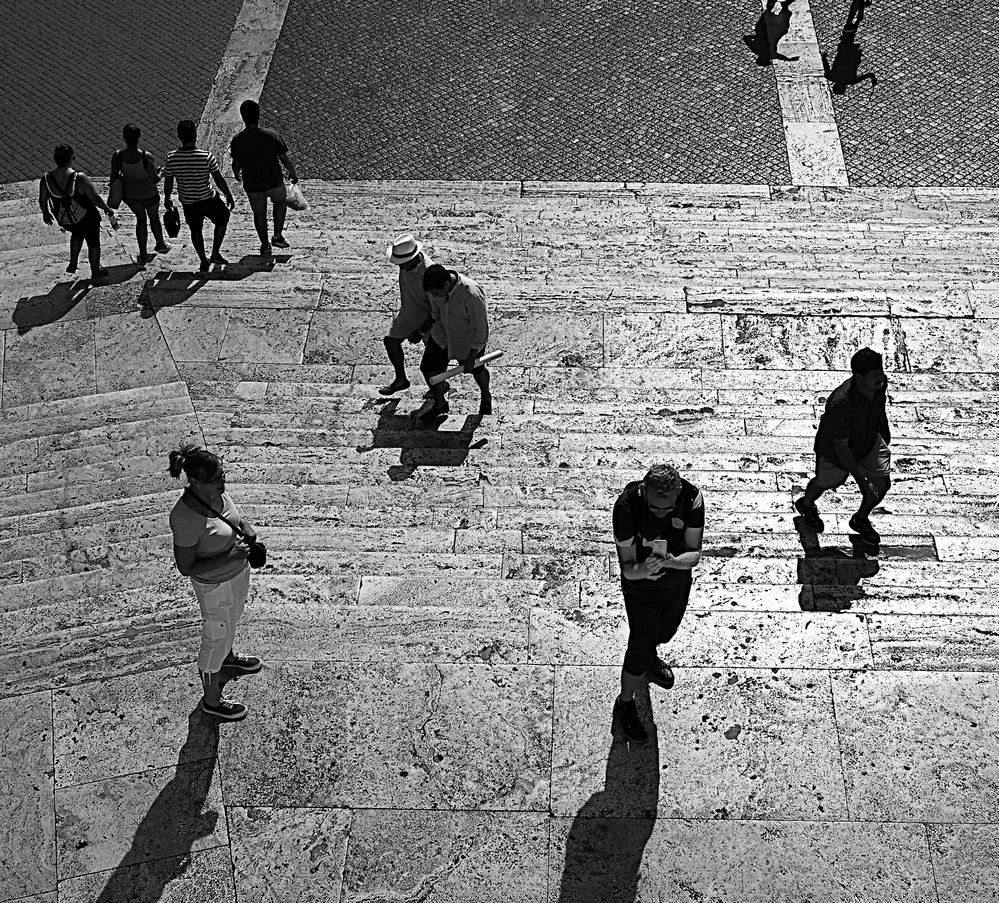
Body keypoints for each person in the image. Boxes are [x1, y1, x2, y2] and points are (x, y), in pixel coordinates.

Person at [168, 444, 262, 721]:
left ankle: (229, 659)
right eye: (217, 478)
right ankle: (212, 701)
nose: (223, 481)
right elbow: (186, 567)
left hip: (236, 575)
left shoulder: (215, 493)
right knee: (214, 639)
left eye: (223, 475)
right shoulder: (186, 518)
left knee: (231, 621)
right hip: (214, 587)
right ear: (195, 482)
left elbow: (231, 518)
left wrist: (245, 526)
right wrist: (230, 556)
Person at [612, 464, 704, 744]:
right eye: (655, 508)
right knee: (641, 644)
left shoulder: (691, 498)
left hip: (675, 582)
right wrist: (645, 570)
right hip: (641, 587)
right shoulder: (626, 508)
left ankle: (650, 657)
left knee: (664, 633)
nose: (662, 514)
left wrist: (671, 563)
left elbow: (694, 553)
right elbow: (627, 567)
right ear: (643, 491)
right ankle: (625, 703)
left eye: (668, 508)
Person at [795, 347, 890, 545]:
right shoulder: (841, 404)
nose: (881, 378)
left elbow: (880, 408)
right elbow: (842, 448)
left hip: (868, 440)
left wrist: (884, 433)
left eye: (881, 372)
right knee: (826, 482)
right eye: (875, 375)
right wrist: (861, 480)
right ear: (859, 377)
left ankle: (860, 519)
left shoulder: (879, 384)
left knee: (881, 486)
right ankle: (806, 504)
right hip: (835, 454)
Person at [162, 120, 235, 272]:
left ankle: (203, 260)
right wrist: (228, 194)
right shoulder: (206, 156)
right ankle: (215, 253)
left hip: (188, 202)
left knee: (196, 231)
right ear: (195, 136)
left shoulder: (171, 157)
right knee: (223, 219)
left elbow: (168, 181)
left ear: (179, 136)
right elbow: (218, 179)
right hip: (208, 198)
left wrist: (167, 197)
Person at [420, 264, 491, 420]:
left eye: (436, 293)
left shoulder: (471, 293)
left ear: (446, 284)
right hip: (442, 334)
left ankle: (486, 396)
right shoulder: (434, 290)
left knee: (477, 370)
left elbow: (480, 329)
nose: (434, 296)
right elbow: (435, 313)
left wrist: (472, 356)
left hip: (466, 339)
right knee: (428, 368)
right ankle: (440, 403)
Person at [38, 144, 118, 279]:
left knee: (77, 233)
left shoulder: (46, 179)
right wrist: (107, 209)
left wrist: (46, 213)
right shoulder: (79, 178)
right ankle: (96, 271)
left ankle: (73, 262)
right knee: (93, 243)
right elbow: (95, 199)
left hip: (66, 219)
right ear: (72, 157)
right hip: (87, 218)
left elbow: (42, 200)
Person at [230, 99, 299, 255]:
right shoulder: (272, 135)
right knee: (280, 203)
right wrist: (292, 173)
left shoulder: (238, 140)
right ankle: (278, 235)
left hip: (253, 184)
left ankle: (265, 244)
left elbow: (236, 163)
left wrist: (236, 174)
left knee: (259, 214)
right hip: (274, 180)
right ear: (258, 115)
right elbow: (284, 159)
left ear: (243, 117)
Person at [379, 233, 436, 396]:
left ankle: (439, 387)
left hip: (429, 319)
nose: (400, 267)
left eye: (402, 263)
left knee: (431, 361)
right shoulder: (407, 265)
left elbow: (436, 309)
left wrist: (420, 332)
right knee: (390, 342)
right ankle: (401, 380)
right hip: (409, 312)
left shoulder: (428, 273)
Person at [110, 123, 170, 263]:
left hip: (130, 195)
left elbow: (113, 177)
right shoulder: (145, 156)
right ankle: (160, 244)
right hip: (149, 193)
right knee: (154, 218)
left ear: (124, 137)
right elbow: (154, 179)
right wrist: (161, 172)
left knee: (140, 220)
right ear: (139, 137)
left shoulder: (117, 156)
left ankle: (143, 253)